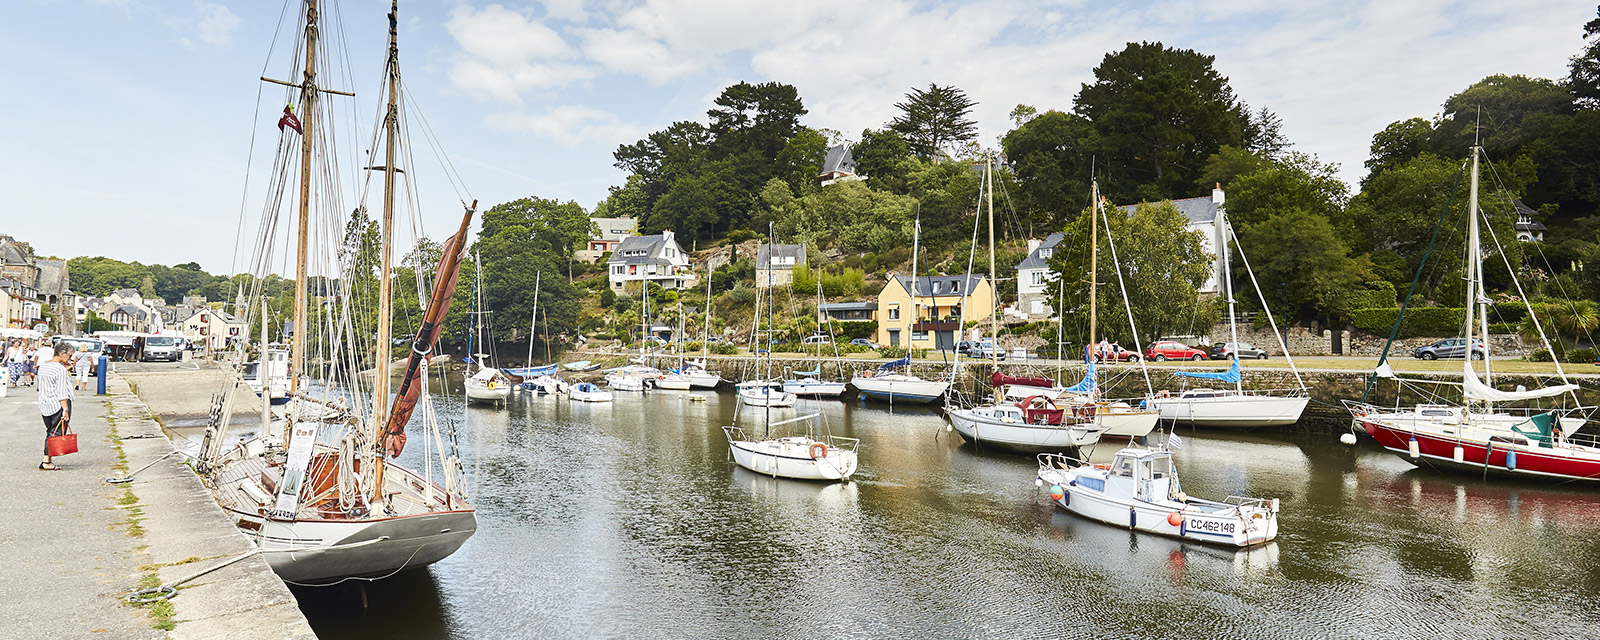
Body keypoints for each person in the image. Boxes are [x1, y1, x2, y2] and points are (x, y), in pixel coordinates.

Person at [38, 342, 75, 471]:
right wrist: (65, 409)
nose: (70, 358)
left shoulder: (43, 366)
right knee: (56, 432)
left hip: (45, 404)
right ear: (62, 353)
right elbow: (61, 391)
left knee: (50, 430)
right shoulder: (59, 369)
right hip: (57, 405)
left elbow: (48, 383)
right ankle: (46, 460)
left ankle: (47, 458)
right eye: (69, 355)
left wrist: (65, 369)